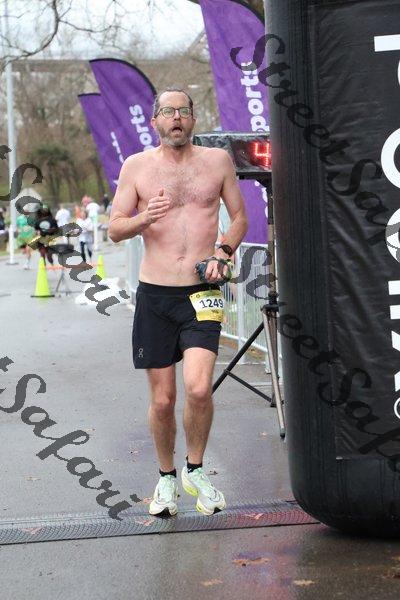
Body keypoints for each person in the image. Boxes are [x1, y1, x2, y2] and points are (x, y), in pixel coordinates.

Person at [109, 88, 248, 517]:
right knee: (164, 400)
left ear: (193, 119)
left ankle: (196, 469)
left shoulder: (217, 162)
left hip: (202, 291)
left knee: (200, 387)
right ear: (155, 121)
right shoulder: (136, 167)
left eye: (183, 111)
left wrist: (223, 252)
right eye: (168, 112)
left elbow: (240, 218)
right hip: (155, 295)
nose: (176, 118)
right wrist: (145, 218)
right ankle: (166, 477)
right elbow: (115, 228)